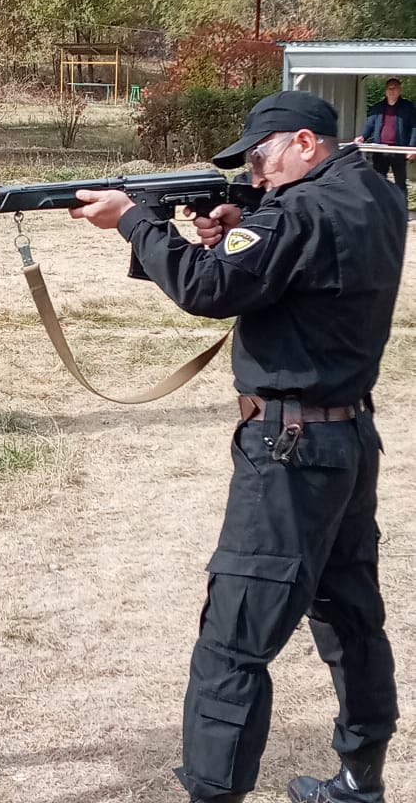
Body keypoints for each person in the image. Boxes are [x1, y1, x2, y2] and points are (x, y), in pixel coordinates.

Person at [68, 90, 405, 803]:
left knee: (234, 637)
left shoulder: (300, 210)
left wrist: (133, 223)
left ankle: (212, 790)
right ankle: (361, 778)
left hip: (289, 448)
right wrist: (244, 219)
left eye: (263, 158)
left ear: (308, 143)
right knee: (350, 615)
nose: (255, 176)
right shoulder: (374, 193)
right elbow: (294, 262)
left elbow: (209, 286)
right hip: (344, 435)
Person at [354, 77, 416, 195]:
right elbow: (370, 124)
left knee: (400, 183)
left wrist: (412, 147)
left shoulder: (408, 107)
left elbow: (414, 127)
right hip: (380, 149)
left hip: (399, 150)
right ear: (385, 90)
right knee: (379, 180)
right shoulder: (378, 107)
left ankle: (401, 209)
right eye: (389, 88)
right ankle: (380, 209)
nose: (391, 91)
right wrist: (362, 137)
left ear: (399, 90)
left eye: (394, 88)